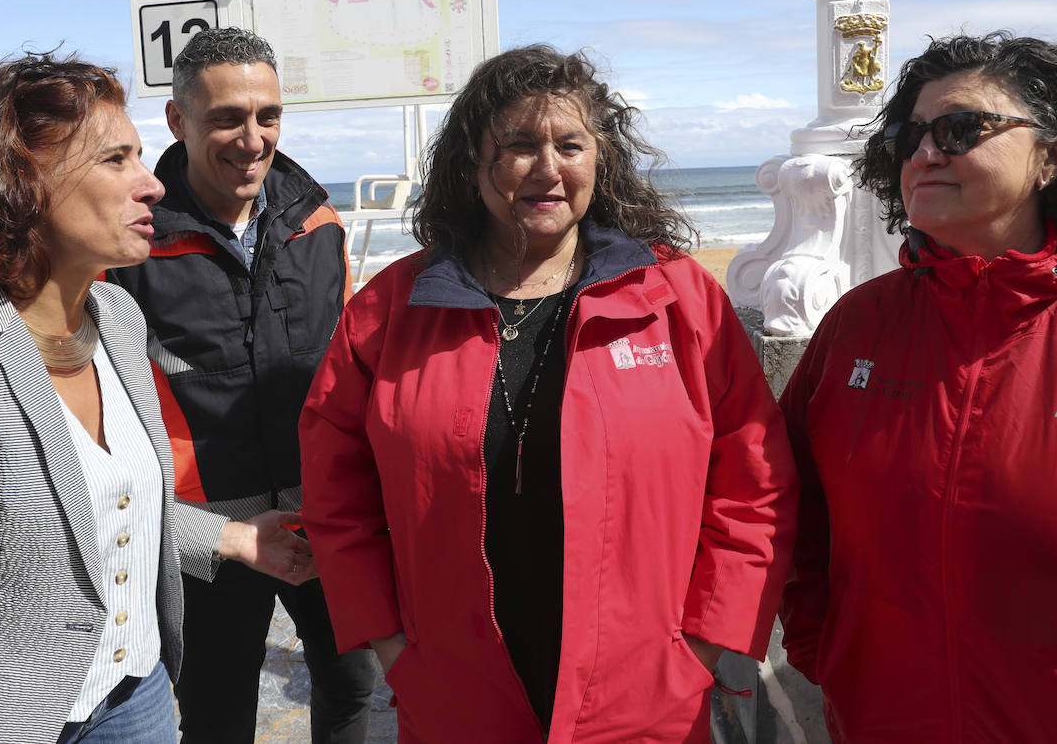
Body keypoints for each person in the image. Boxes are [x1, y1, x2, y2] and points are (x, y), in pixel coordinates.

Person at [298, 44, 799, 743]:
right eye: (519, 145)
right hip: (453, 691)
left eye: (570, 144)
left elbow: (754, 479)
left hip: (645, 696)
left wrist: (704, 648)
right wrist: (390, 646)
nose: (548, 168)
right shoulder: (390, 311)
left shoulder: (677, 298)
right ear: (473, 164)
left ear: (602, 160)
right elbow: (336, 495)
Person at [0, 51, 309, 743]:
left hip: (138, 694)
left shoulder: (116, 317)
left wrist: (231, 537)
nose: (152, 186)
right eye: (117, 160)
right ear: (23, 183)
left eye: (142, 158)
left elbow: (96, 505)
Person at [779, 32, 1057, 742]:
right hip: (883, 718)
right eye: (909, 135)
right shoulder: (859, 325)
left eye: (962, 129)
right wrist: (824, 651)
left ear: (1054, 155)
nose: (927, 153)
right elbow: (786, 499)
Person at [105, 27, 376, 743]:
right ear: (177, 121)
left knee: (352, 684)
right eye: (227, 117)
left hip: (323, 506)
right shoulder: (133, 243)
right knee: (218, 708)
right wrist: (200, 532)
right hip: (210, 526)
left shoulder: (317, 223)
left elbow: (347, 371)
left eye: (268, 116)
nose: (252, 139)